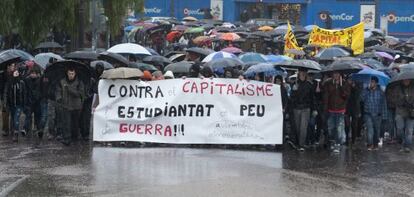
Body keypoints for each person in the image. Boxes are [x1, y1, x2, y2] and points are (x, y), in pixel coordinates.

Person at [56, 67, 85, 146]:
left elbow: (80, 94)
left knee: (75, 123)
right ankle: (67, 139)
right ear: (67, 73)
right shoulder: (62, 81)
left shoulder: (79, 82)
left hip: (76, 106)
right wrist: (59, 98)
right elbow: (58, 91)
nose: (71, 75)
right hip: (66, 105)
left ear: (75, 74)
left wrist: (70, 89)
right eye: (69, 74)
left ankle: (75, 137)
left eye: (72, 74)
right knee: (66, 123)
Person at [323, 72, 351, 153]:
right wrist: (325, 107)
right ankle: (333, 141)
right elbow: (325, 96)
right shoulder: (328, 83)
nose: (336, 75)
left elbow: (346, 96)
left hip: (341, 109)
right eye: (334, 74)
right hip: (330, 109)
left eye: (338, 74)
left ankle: (337, 144)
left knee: (339, 128)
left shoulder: (345, 83)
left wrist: (341, 87)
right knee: (331, 127)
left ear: (340, 75)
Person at [289, 69, 314, 151]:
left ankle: (301, 145)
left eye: (304, 74)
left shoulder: (309, 85)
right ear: (299, 74)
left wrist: (314, 109)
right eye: (301, 73)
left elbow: (312, 98)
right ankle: (297, 142)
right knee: (297, 126)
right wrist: (294, 91)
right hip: (296, 108)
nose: (302, 75)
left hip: (306, 108)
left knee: (303, 127)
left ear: (306, 74)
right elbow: (292, 98)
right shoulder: (294, 84)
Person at [361, 77, 387, 151]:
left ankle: (375, 144)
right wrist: (367, 90)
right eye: (370, 82)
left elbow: (384, 104)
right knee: (370, 129)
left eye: (372, 82)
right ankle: (370, 144)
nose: (371, 83)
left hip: (377, 114)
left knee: (376, 130)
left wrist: (384, 115)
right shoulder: (366, 90)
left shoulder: (381, 92)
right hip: (368, 113)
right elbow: (361, 98)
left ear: (376, 83)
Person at [4, 69, 27, 142]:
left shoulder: (21, 83)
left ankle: (16, 133)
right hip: (11, 104)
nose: (16, 74)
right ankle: (13, 131)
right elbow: (6, 93)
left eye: (17, 73)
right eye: (15, 73)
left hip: (19, 104)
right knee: (13, 118)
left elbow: (24, 94)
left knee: (16, 117)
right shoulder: (9, 83)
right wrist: (5, 103)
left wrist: (24, 104)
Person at [391, 79, 414, 153]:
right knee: (400, 129)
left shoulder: (413, 88)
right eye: (405, 80)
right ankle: (402, 142)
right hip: (400, 112)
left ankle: (407, 146)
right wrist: (402, 101)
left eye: (408, 80)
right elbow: (393, 99)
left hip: (411, 112)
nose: (406, 81)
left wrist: (411, 104)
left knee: (409, 131)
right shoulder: (397, 88)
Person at [24, 67, 44, 138]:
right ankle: (25, 129)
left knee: (38, 116)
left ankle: (39, 130)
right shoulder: (27, 80)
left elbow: (42, 89)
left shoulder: (40, 80)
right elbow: (25, 91)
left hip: (38, 101)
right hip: (29, 101)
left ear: (37, 74)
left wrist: (40, 96)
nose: (33, 75)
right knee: (28, 116)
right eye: (32, 73)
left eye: (34, 73)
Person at [345, 78, 362, 145]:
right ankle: (346, 139)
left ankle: (353, 140)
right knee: (347, 125)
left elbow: (357, 97)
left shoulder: (358, 85)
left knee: (354, 125)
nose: (350, 81)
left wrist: (354, 87)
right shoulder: (345, 86)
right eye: (349, 79)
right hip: (346, 108)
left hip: (355, 108)